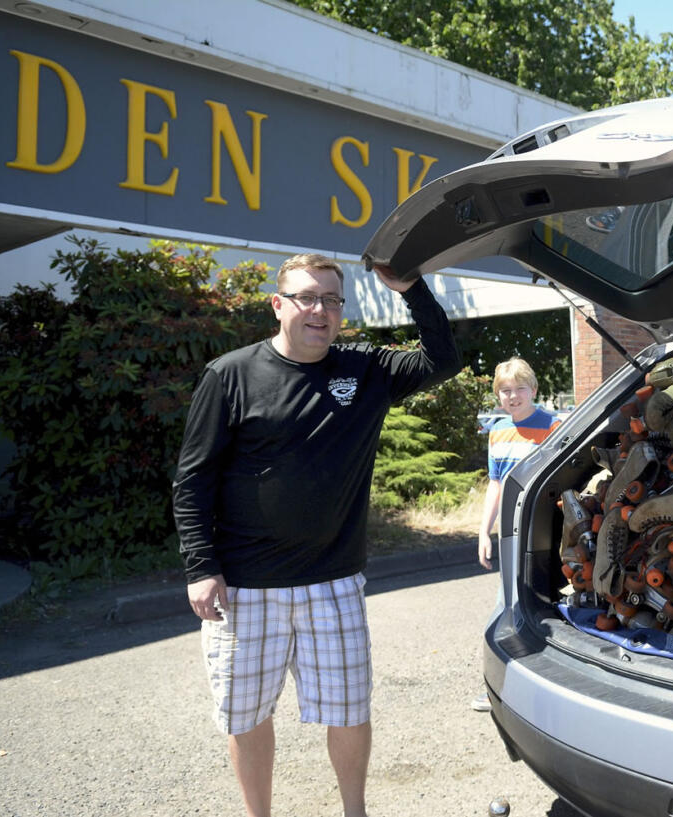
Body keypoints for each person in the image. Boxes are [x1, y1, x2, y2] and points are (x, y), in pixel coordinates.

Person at [173, 253, 459, 817]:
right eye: (306, 297)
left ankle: (355, 811)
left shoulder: (365, 370)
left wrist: (412, 289)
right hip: (246, 588)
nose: (319, 310)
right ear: (278, 305)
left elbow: (442, 358)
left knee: (350, 709)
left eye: (331, 299)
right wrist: (201, 567)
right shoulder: (230, 375)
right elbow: (193, 478)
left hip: (334, 582)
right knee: (248, 715)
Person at [470, 357, 561, 711]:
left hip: (544, 532)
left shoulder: (553, 426)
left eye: (520, 389)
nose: (513, 396)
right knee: (507, 606)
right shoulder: (497, 430)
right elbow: (495, 484)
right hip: (510, 532)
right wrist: (484, 531)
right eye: (505, 391)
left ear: (534, 390)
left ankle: (531, 685)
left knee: (537, 605)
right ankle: (501, 685)